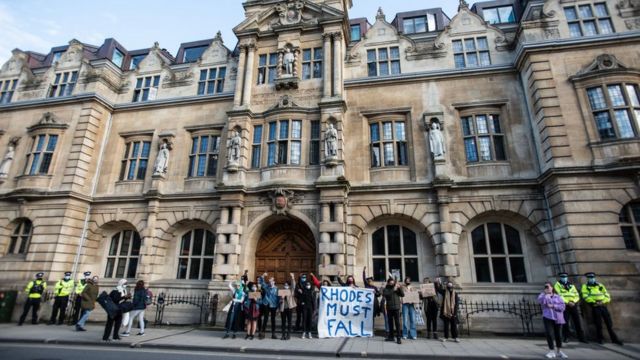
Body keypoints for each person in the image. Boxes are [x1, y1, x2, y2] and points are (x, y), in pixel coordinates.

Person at [581, 272, 623, 345]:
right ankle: (600, 339)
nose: (591, 279)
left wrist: (603, 302)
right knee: (598, 324)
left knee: (609, 323)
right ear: (587, 279)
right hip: (595, 306)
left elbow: (607, 295)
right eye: (590, 278)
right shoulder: (585, 286)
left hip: (603, 306)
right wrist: (594, 302)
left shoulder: (600, 285)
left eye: (592, 277)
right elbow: (585, 296)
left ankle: (614, 339)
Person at [553, 272, 586, 343]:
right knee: (566, 322)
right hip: (565, 305)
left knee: (577, 321)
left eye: (565, 277)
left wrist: (574, 301)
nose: (564, 278)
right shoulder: (557, 285)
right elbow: (559, 295)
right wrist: (567, 302)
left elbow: (576, 294)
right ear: (560, 277)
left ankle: (581, 337)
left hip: (573, 304)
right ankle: (566, 337)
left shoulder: (571, 285)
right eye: (562, 277)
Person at [538, 282, 568, 359]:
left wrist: (553, 306)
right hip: (548, 317)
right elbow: (541, 302)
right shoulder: (542, 296)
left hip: (558, 318)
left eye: (549, 287)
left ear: (552, 287)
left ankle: (559, 350)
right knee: (549, 334)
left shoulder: (558, 297)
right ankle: (551, 350)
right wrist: (546, 295)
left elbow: (562, 307)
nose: (547, 288)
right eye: (546, 287)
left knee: (559, 335)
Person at [383, 277, 404, 344]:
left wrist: (399, 288)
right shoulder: (386, 288)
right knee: (390, 323)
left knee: (397, 323)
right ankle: (391, 337)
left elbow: (402, 294)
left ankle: (398, 338)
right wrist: (393, 289)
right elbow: (386, 295)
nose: (392, 283)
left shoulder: (396, 288)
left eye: (393, 282)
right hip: (389, 308)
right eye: (391, 282)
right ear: (388, 283)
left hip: (396, 308)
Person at [258, 273, 279, 339]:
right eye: (270, 281)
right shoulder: (266, 286)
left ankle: (273, 334)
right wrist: (263, 276)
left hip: (273, 305)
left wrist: (278, 307)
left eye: (272, 281)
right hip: (266, 304)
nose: (270, 282)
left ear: (274, 282)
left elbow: (278, 298)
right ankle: (263, 333)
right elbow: (261, 282)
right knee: (265, 319)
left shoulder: (277, 289)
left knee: (273, 319)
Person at [278, 273, 296, 340]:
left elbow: (293, 286)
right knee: (283, 322)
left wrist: (293, 277)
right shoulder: (281, 291)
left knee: (289, 321)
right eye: (285, 285)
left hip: (289, 308)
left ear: (289, 286)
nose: (285, 286)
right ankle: (283, 335)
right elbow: (279, 301)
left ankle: (288, 334)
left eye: (287, 285)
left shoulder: (291, 291)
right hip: (283, 308)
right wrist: (281, 298)